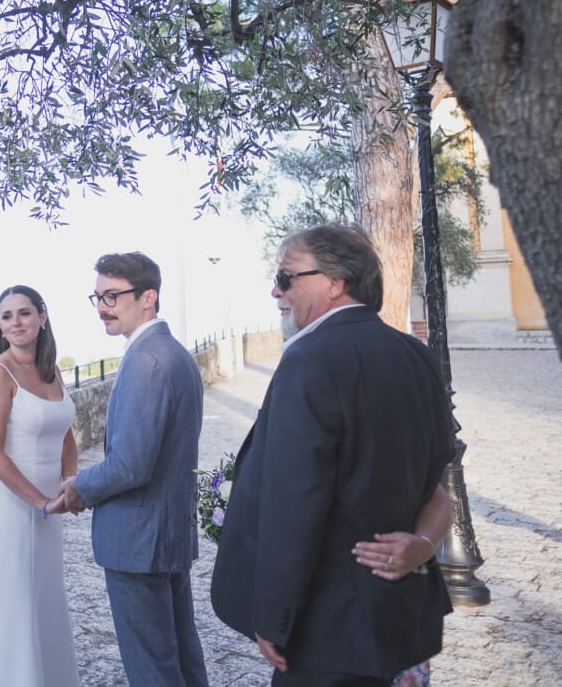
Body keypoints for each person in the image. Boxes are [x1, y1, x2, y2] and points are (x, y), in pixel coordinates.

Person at [210, 223, 454, 686]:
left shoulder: (310, 360)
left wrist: (274, 617)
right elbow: (434, 479)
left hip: (330, 627)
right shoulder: (415, 356)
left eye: (286, 278)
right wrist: (421, 546)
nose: (274, 290)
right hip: (401, 621)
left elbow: (294, 503)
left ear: (336, 282)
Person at [55, 252, 209, 687]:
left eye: (113, 295)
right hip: (166, 533)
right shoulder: (175, 354)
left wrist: (78, 484)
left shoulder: (146, 360)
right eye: (98, 296)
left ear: (148, 298)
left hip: (138, 541)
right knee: (181, 658)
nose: (103, 306)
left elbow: (130, 464)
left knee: (152, 669)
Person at [0, 285, 81, 687]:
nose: (16, 323)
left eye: (24, 313)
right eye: (6, 316)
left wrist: (69, 483)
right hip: (12, 507)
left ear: (43, 317)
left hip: (51, 505)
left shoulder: (52, 370)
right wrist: (42, 502)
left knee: (43, 596)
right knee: (11, 602)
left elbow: (66, 436)